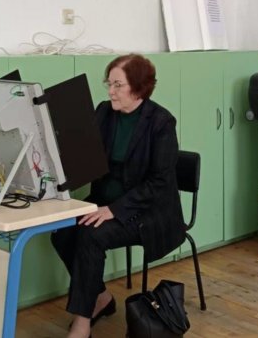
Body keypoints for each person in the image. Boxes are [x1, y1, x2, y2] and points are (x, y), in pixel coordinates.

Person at [50, 53, 186, 338]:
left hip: (146, 212)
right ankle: (100, 296)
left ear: (138, 88)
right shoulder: (104, 112)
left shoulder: (161, 122)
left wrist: (114, 210)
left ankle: (82, 323)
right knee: (62, 232)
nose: (110, 91)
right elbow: (86, 153)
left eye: (118, 85)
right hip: (105, 202)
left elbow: (159, 182)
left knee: (90, 236)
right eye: (108, 84)